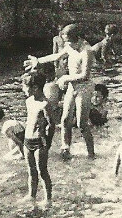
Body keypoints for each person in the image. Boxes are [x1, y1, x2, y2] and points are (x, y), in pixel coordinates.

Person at [25, 23, 96, 160]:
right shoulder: (70, 47)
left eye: (68, 41)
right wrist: (38, 61)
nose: (67, 44)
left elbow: (85, 75)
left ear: (78, 39)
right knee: (65, 120)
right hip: (72, 86)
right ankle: (66, 148)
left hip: (84, 87)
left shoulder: (86, 50)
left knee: (81, 124)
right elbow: (57, 56)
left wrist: (65, 77)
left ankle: (91, 154)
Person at [21, 70, 54, 208]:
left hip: (40, 142)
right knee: (31, 170)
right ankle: (31, 195)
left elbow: (51, 124)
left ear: (35, 88)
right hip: (27, 140)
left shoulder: (44, 104)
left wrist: (48, 142)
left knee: (42, 171)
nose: (23, 89)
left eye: (25, 87)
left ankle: (48, 198)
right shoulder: (29, 101)